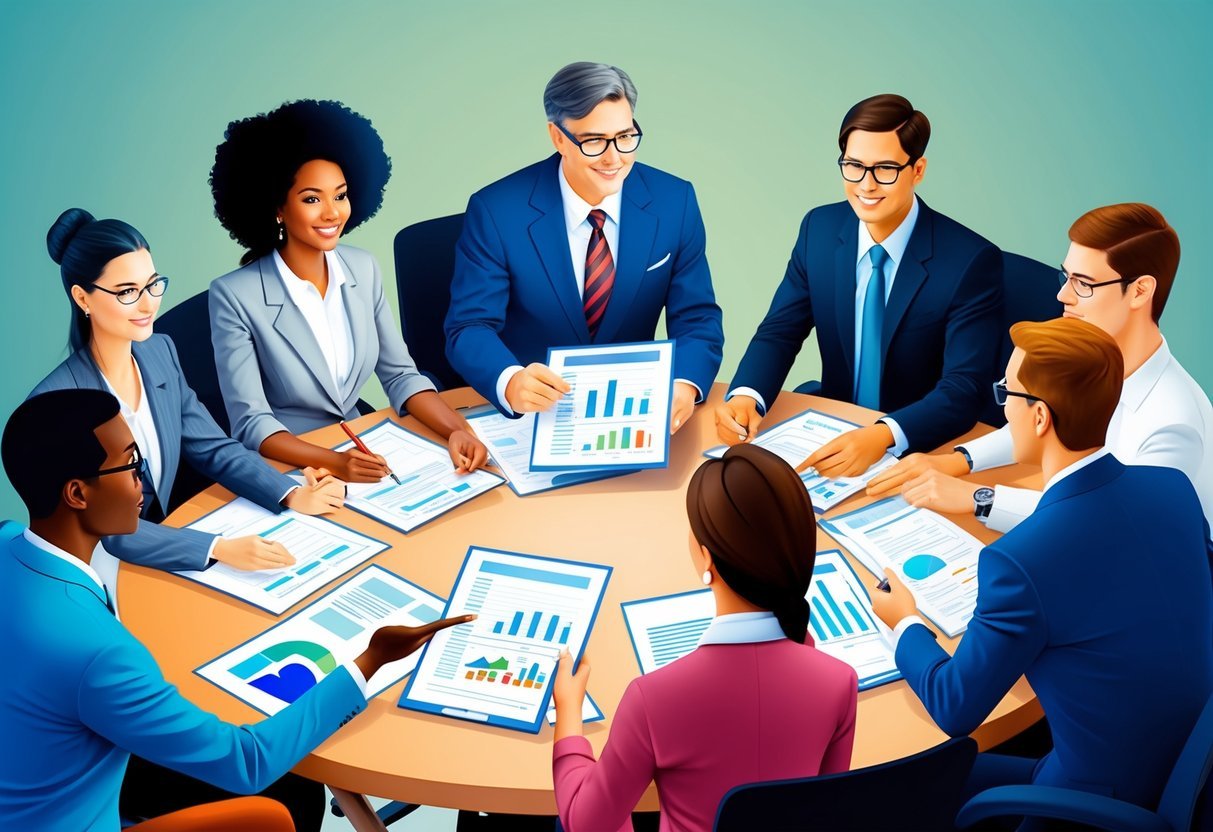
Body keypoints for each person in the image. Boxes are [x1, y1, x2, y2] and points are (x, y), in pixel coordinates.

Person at [0, 389, 473, 831]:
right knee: (291, 796)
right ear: (78, 494)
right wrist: (371, 659)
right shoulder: (100, 653)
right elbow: (248, 762)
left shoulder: (6, 542)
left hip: (41, 763)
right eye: (129, 465)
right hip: (76, 814)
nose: (143, 478)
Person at [871, 317, 1213, 820]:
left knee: (896, 791)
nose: (1001, 406)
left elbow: (955, 707)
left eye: (1007, 393)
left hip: (1088, 799)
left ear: (1039, 418)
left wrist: (904, 621)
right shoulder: (1171, 489)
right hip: (1178, 766)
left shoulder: (1020, 561)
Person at [551, 443, 858, 830]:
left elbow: (587, 823)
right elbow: (822, 808)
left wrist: (569, 717)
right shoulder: (839, 680)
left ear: (706, 557)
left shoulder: (652, 698)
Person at [30, 208, 343, 579]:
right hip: (96, 569)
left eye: (152, 284)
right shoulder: (56, 403)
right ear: (83, 299)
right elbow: (109, 528)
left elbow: (212, 447)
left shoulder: (158, 351)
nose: (148, 304)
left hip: (164, 547)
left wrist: (288, 493)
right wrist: (217, 548)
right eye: (128, 292)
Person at [867, 202, 1213, 532]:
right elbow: (1035, 421)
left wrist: (979, 498)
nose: (1064, 296)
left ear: (1140, 291)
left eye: (1084, 283)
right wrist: (958, 460)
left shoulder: (1172, 424)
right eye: (1066, 277)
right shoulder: (1093, 364)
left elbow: (1108, 521)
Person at [715, 94, 1003, 477]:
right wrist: (747, 396)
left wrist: (883, 435)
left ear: (918, 170)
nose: (866, 185)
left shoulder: (970, 261)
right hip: (832, 429)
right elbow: (780, 332)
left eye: (885, 168)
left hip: (920, 448)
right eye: (853, 166)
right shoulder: (819, 230)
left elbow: (963, 388)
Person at [209, 99, 487, 483]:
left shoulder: (362, 267)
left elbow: (400, 375)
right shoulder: (234, 296)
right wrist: (334, 462)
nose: (332, 213)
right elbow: (251, 423)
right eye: (311, 199)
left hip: (364, 444)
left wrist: (456, 429)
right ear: (277, 208)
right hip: (294, 464)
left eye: (339, 195)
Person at [444, 61, 724, 433]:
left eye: (625, 136)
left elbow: (698, 318)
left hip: (634, 414)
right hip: (536, 417)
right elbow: (469, 326)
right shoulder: (496, 211)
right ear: (557, 137)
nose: (614, 158)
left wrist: (683, 384)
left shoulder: (675, 202)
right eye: (594, 141)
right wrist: (510, 380)